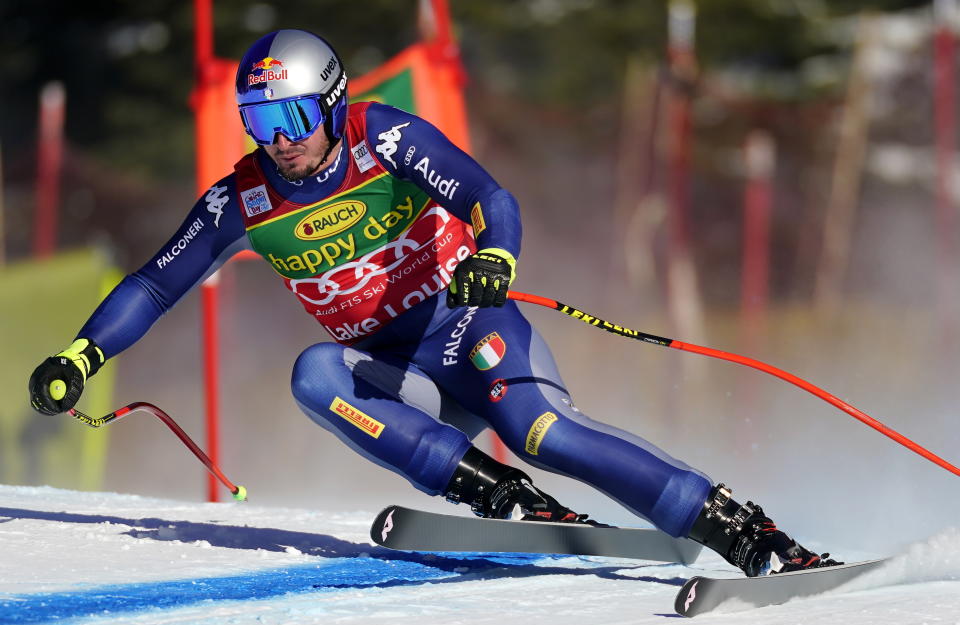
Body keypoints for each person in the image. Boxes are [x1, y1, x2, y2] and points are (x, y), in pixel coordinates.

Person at [28, 29, 837, 577]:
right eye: (259, 120)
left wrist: (493, 255)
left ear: (332, 103)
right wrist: (81, 353)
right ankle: (496, 495)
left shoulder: (383, 137)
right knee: (315, 377)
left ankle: (744, 532)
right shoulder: (241, 199)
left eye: (293, 116)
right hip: (395, 371)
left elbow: (492, 196)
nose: (279, 139)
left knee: (544, 431)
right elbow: (153, 283)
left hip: (468, 326)